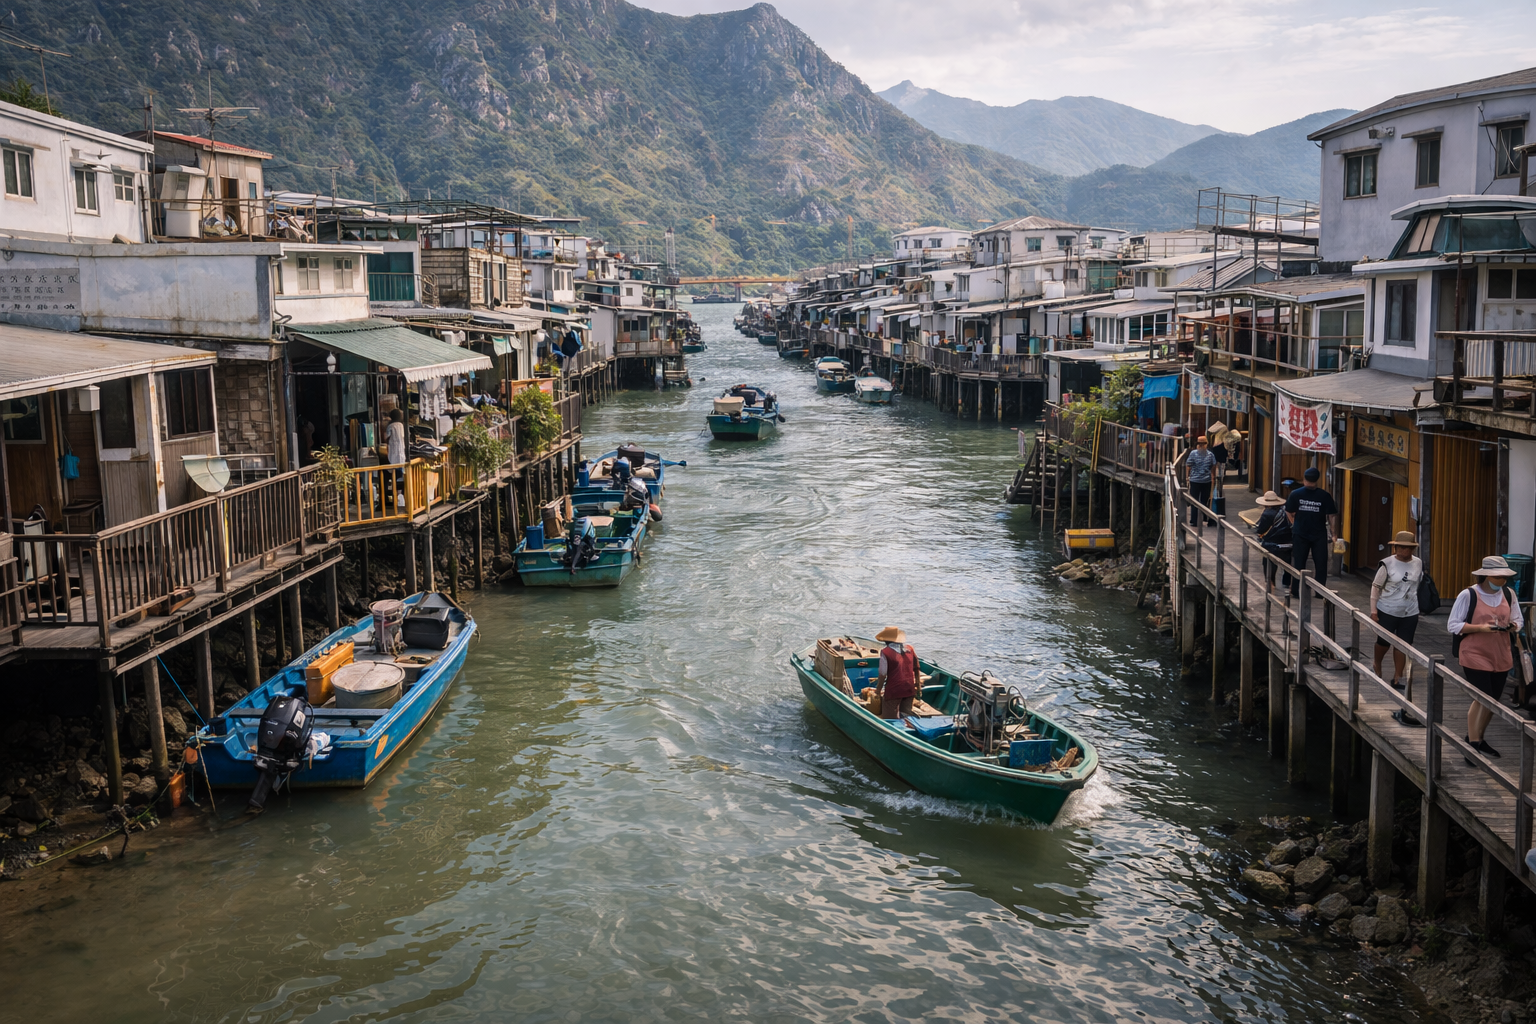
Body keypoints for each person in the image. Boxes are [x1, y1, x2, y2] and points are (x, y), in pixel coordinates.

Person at [1448, 556, 1525, 760]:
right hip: (1474, 652)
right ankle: (1473, 745)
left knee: (1494, 699)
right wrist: (1481, 628)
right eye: (1498, 577)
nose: (1502, 581)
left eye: (1504, 577)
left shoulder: (1509, 594)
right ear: (1486, 576)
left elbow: (1518, 619)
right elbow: (1453, 625)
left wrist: (1512, 627)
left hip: (1500, 652)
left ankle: (1477, 737)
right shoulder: (1468, 594)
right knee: (1482, 696)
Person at [1370, 532, 1423, 691]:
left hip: (1410, 610)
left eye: (1407, 547)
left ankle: (1397, 676)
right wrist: (1373, 611)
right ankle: (1377, 663)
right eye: (1400, 547)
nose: (1404, 550)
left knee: (1403, 643)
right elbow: (1376, 587)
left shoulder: (1418, 563)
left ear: (1412, 549)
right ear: (1395, 547)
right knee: (1384, 642)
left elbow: (1416, 584)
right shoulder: (1387, 564)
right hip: (1387, 608)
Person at [1285, 467, 1338, 596]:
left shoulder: (1295, 494)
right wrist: (1334, 533)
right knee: (1320, 563)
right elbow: (1332, 516)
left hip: (1300, 533)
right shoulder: (1325, 495)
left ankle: (1296, 591)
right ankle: (1320, 592)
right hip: (1319, 533)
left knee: (1299, 562)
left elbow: (1288, 511)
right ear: (1317, 480)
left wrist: (1294, 524)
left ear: (1304, 479)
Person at [874, 626, 919, 721]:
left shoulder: (885, 652)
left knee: (890, 717)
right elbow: (917, 668)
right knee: (906, 713)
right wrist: (917, 686)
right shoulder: (910, 649)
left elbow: (882, 674)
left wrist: (878, 690)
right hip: (909, 689)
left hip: (894, 690)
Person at [1253, 490, 1292, 591]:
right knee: (1288, 564)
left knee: (1269, 563)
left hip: (1272, 544)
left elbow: (1261, 530)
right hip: (1288, 542)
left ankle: (1271, 583)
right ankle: (1287, 583)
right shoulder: (1286, 511)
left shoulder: (1267, 514)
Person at [1185, 435, 1216, 522]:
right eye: (1201, 443)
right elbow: (1213, 466)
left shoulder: (1193, 453)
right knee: (1204, 500)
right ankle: (1204, 517)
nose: (1202, 445)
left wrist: (1187, 477)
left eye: (1203, 443)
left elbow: (1188, 465)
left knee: (1195, 501)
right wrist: (1213, 477)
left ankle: (1194, 520)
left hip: (1196, 480)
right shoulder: (1210, 454)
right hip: (1205, 481)